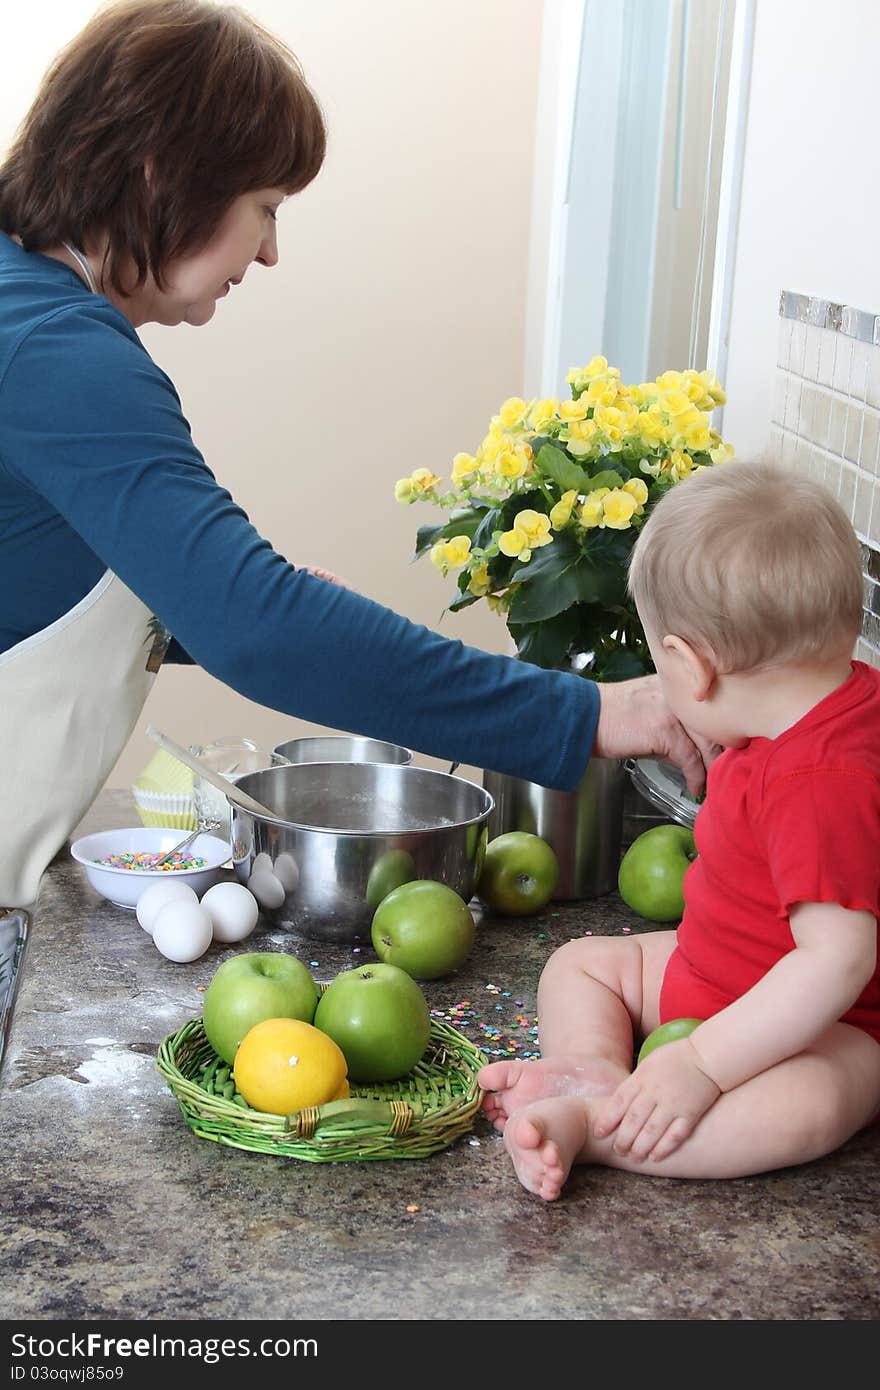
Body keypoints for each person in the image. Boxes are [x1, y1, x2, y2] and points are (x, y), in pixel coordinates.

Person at [0, 0, 714, 909]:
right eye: (265, 206)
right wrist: (595, 711)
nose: (267, 251)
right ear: (159, 172)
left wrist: (177, 610)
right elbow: (258, 628)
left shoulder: (24, 313)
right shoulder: (60, 351)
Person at [479, 459, 880, 1200]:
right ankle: (596, 1073)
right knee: (583, 965)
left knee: (813, 1106)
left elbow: (837, 964)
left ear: (692, 668)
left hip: (825, 1025)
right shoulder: (804, 710)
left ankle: (605, 1132)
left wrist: (702, 1063)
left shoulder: (821, 782)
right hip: (713, 969)